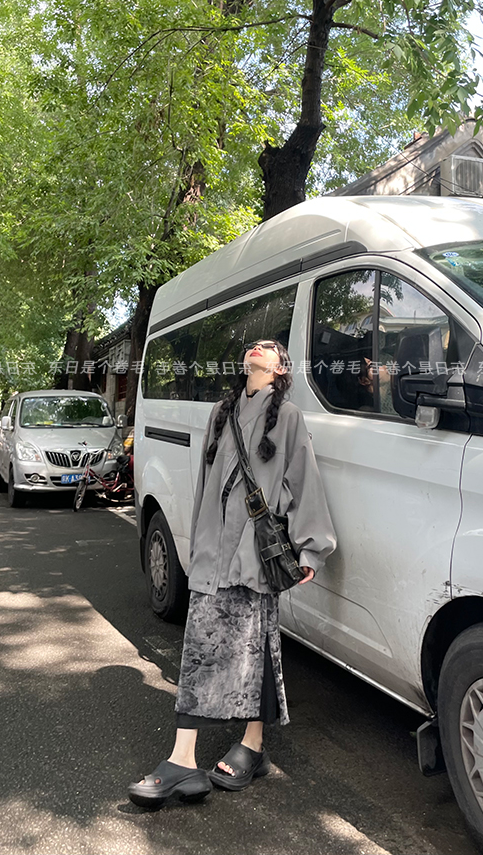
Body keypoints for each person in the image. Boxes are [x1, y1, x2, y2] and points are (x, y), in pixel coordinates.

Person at [128, 339, 336, 809]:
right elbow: (205, 486)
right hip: (213, 555)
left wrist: (312, 548)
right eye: (254, 345)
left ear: (281, 369)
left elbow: (305, 483)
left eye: (271, 348)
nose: (259, 347)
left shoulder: (288, 417)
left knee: (256, 647)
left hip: (253, 554)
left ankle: (252, 744)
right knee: (199, 649)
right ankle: (185, 758)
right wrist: (199, 549)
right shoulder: (221, 413)